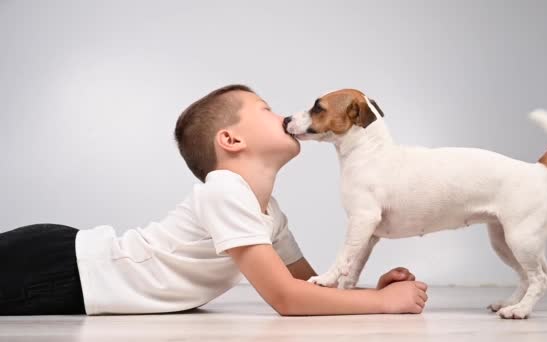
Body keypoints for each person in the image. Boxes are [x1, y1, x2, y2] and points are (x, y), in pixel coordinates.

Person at [0, 85, 428, 316]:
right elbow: (287, 300)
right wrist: (382, 304)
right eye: (265, 109)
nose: (283, 116)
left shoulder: (269, 215)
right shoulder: (225, 190)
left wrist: (366, 291)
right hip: (61, 267)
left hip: (67, 267)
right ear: (231, 140)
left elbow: (309, 289)